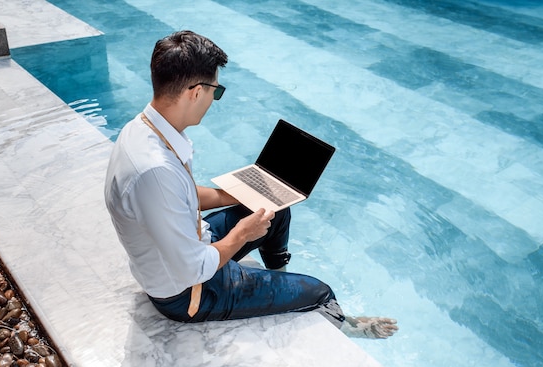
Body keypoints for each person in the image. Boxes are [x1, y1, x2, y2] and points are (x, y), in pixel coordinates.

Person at [104, 30, 397, 339]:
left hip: (187, 249)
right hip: (189, 293)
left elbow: (181, 199)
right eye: (215, 92)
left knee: (272, 209)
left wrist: (234, 194)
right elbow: (195, 268)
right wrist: (243, 233)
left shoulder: (142, 130)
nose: (214, 101)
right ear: (195, 93)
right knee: (319, 291)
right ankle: (347, 329)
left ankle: (279, 284)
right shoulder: (155, 171)